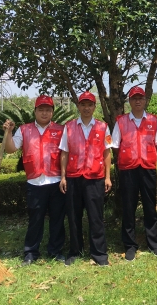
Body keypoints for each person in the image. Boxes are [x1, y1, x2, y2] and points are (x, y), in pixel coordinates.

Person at [3, 95, 66, 266]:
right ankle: (31, 252)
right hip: (35, 183)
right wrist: (8, 133)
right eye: (41, 109)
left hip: (56, 181)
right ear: (35, 111)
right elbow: (10, 148)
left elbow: (66, 154)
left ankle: (55, 251)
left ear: (52, 112)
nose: (44, 113)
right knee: (35, 219)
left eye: (48, 110)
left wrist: (64, 177)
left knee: (57, 219)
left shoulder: (61, 130)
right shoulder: (24, 130)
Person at [59, 91, 112, 266]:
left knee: (96, 217)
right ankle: (75, 251)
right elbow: (64, 152)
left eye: (90, 105)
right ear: (78, 106)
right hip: (74, 177)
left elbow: (107, 152)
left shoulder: (103, 127)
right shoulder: (69, 127)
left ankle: (99, 254)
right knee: (74, 217)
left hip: (95, 178)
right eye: (83, 104)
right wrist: (63, 177)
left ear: (94, 107)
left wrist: (107, 177)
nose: (86, 108)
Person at [111, 86, 157, 261]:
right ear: (130, 101)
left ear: (145, 100)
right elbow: (115, 146)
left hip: (148, 169)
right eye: (134, 98)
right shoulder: (121, 121)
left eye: (141, 98)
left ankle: (153, 244)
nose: (138, 101)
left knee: (150, 207)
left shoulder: (153, 121)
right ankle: (130, 245)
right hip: (128, 170)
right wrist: (128, 157)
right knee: (128, 207)